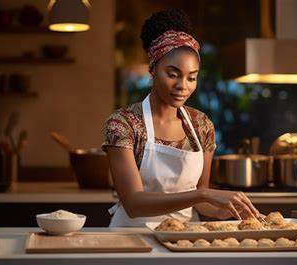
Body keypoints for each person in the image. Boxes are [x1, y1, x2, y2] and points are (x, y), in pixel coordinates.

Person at [102, 9, 259, 227]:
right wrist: (202, 195)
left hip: (184, 239)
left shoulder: (201, 125)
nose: (182, 86)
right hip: (132, 240)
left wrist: (223, 210)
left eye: (191, 77)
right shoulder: (123, 124)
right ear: (153, 69)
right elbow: (133, 203)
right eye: (173, 74)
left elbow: (201, 199)